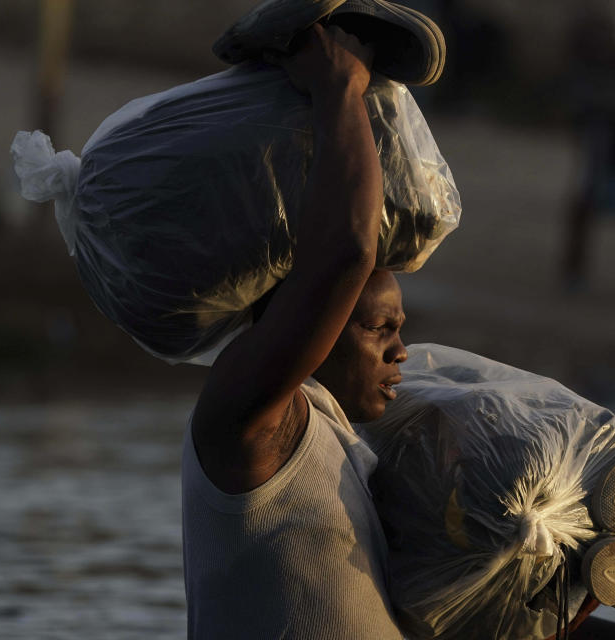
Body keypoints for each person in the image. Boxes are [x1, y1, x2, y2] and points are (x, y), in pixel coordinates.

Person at [180, 24, 408, 639]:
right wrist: (340, 88)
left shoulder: (350, 450)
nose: (401, 350)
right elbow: (345, 255)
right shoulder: (244, 422)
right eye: (379, 328)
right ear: (312, 319)